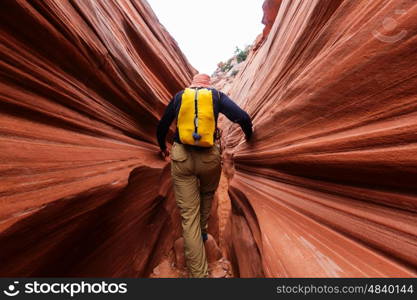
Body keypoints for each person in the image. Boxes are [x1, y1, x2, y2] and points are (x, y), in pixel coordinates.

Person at [156, 73, 252, 278]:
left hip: (182, 157)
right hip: (209, 157)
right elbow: (242, 117)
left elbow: (162, 126)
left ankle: (199, 275)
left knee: (188, 216)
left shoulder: (180, 97)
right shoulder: (216, 96)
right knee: (207, 195)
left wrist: (162, 147)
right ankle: (202, 232)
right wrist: (249, 136)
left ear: (192, 84)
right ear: (208, 84)